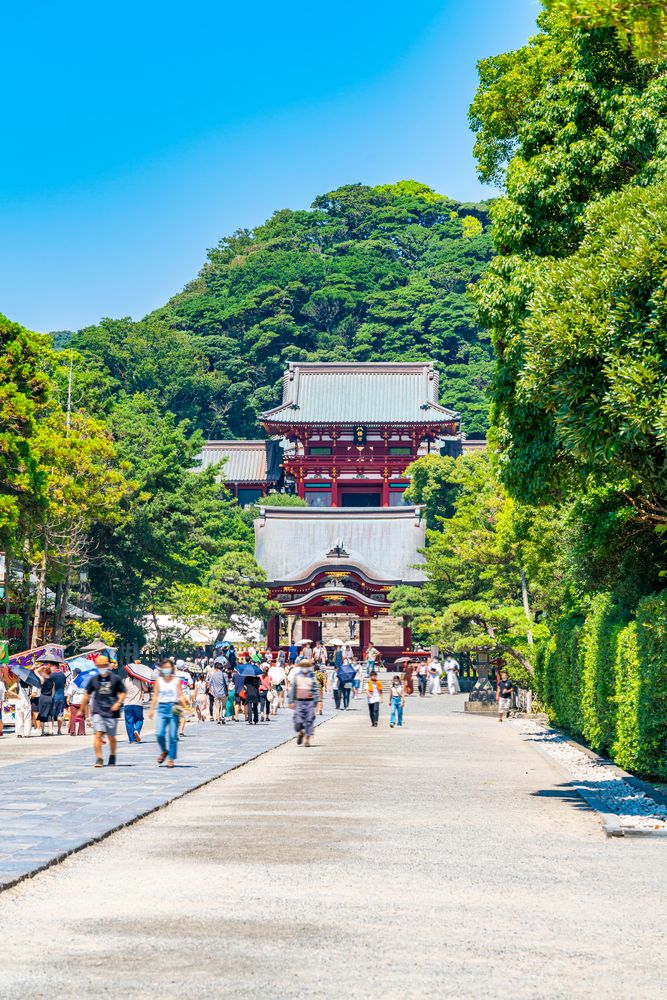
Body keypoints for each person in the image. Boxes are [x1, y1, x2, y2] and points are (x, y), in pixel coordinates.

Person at [79, 655, 126, 767]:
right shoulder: (94, 679)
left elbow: (123, 692)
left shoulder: (115, 678)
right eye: (99, 666)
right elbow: (87, 694)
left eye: (104, 665)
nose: (102, 667)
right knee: (98, 734)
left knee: (111, 736)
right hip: (98, 711)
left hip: (112, 712)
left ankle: (113, 755)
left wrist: (118, 703)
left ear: (108, 665)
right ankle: (99, 758)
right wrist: (81, 709)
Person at [148, 659, 188, 766]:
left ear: (172, 669)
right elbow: (155, 696)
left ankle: (171, 758)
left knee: (172, 735)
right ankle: (164, 751)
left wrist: (186, 707)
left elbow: (180, 695)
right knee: (159, 733)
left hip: (173, 708)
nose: (166, 670)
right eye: (164, 668)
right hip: (161, 708)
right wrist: (151, 709)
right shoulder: (159, 681)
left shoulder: (176, 681)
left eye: (168, 668)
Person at [288, 659, 318, 747]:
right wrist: (291, 701)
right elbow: (293, 689)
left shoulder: (312, 676)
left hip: (309, 701)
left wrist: (316, 701)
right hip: (299, 701)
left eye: (306, 666)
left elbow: (315, 689)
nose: (305, 668)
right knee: (298, 721)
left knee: (309, 720)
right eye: (303, 666)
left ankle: (307, 739)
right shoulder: (296, 676)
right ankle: (301, 732)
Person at [123, 671, 146, 743]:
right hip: (137, 704)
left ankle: (132, 739)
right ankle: (137, 730)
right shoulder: (140, 680)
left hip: (127, 704)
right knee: (139, 719)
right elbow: (146, 689)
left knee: (129, 722)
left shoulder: (125, 681)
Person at [66, 668, 86, 736]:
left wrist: (68, 699)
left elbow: (70, 692)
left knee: (73, 716)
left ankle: (72, 731)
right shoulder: (84, 681)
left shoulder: (73, 681)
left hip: (74, 700)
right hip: (82, 700)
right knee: (82, 716)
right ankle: (81, 731)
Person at [51, 666, 67, 735]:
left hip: (54, 697)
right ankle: (59, 730)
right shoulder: (63, 675)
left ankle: (51, 731)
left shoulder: (52, 675)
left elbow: (52, 686)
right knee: (60, 715)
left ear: (54, 667)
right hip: (61, 697)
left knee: (51, 714)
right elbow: (65, 685)